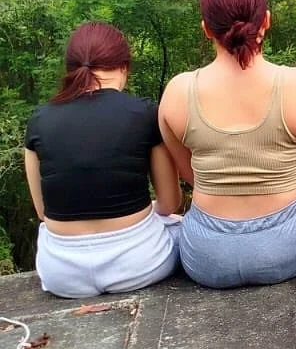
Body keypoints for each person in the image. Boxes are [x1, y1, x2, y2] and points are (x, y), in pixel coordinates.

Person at [158, 0, 296, 288]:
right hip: (289, 245)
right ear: (266, 21)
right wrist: (283, 190)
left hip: (208, 255)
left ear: (206, 29)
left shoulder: (177, 92)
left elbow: (190, 174)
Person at [24, 22, 182, 298]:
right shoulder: (144, 114)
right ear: (123, 66)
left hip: (62, 276)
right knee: (182, 226)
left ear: (70, 69)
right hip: (140, 265)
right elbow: (170, 203)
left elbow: (43, 212)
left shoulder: (39, 120)